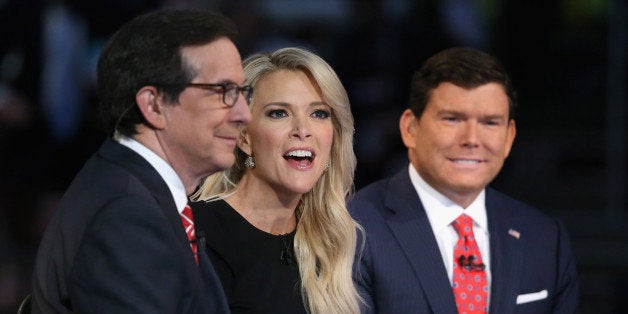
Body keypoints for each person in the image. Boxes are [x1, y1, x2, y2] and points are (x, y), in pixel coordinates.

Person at [31, 9, 252, 313]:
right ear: (154, 105)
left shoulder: (136, 194)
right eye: (224, 91)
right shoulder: (126, 214)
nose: (244, 114)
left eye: (242, 92)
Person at [348, 47, 579, 313]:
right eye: (452, 119)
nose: (471, 139)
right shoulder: (353, 229)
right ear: (410, 129)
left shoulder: (546, 238)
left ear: (509, 137)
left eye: (490, 123)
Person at [191, 47, 362, 314]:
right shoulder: (199, 232)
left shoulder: (333, 244)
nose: (303, 131)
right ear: (244, 137)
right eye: (279, 113)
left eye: (318, 114)